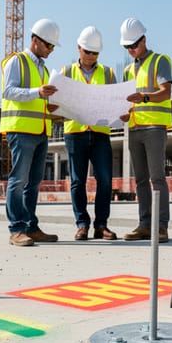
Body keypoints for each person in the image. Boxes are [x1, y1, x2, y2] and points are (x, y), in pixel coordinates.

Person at [2, 18, 61, 247]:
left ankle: (30, 226)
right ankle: (16, 229)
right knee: (18, 181)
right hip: (21, 130)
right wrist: (38, 92)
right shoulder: (17, 61)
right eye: (49, 46)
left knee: (33, 183)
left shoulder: (43, 69)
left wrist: (52, 104)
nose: (51, 50)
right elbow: (8, 91)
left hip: (40, 130)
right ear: (36, 41)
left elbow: (39, 98)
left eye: (54, 47)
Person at [118, 18, 172, 243]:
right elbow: (125, 101)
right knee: (140, 179)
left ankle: (161, 227)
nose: (131, 50)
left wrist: (145, 97)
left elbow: (166, 92)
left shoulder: (160, 60)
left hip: (154, 127)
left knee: (157, 178)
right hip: (134, 128)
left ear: (144, 40)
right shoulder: (127, 70)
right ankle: (144, 224)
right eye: (127, 47)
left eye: (134, 45)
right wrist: (122, 113)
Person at [62, 26, 119, 241]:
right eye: (87, 51)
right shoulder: (66, 72)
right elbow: (57, 102)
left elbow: (116, 101)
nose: (91, 56)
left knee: (105, 179)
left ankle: (101, 225)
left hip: (100, 133)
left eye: (95, 52)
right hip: (75, 133)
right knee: (77, 181)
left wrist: (121, 112)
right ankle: (82, 224)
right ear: (78, 48)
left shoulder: (108, 73)